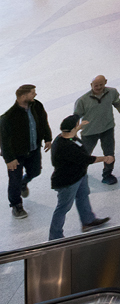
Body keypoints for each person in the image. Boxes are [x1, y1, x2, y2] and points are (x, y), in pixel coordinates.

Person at [48, 116, 109, 240]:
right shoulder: (65, 146)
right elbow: (86, 159)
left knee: (83, 195)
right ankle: (55, 236)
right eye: (77, 124)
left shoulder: (66, 136)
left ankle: (88, 221)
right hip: (67, 181)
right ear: (73, 127)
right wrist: (105, 158)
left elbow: (72, 137)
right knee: (63, 207)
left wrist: (78, 128)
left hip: (79, 175)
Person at [3, 85, 52, 219]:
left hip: (34, 149)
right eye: (32, 93)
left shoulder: (37, 106)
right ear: (23, 96)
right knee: (14, 181)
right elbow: (4, 140)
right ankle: (16, 205)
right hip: (16, 155)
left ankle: (24, 182)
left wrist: (47, 138)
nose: (35, 95)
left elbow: (43, 122)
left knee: (35, 171)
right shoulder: (8, 117)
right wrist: (9, 159)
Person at [74, 75, 120, 185]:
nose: (98, 87)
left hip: (107, 129)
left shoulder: (112, 92)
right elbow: (75, 118)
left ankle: (107, 174)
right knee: (84, 155)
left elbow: (118, 104)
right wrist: (74, 132)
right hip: (89, 132)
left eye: (101, 85)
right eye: (96, 85)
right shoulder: (82, 100)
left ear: (105, 82)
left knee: (109, 154)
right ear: (91, 85)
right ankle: (78, 174)